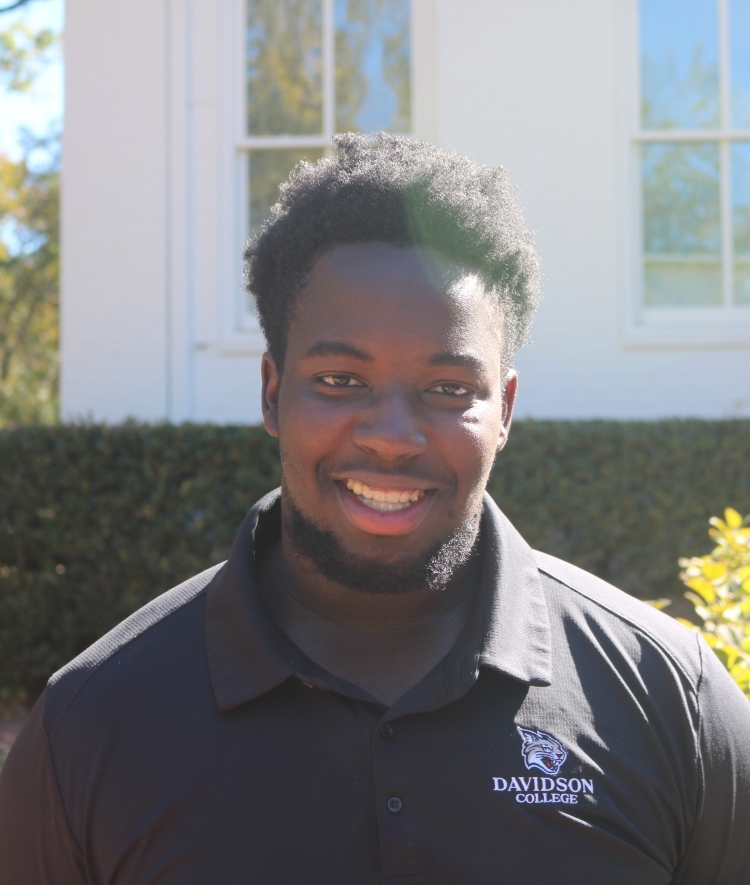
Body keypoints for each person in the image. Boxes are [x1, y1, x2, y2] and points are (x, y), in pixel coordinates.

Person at [1, 133, 749, 884]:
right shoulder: (94, 723)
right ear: (272, 390)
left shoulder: (667, 698)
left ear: (506, 411)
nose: (392, 437)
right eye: (340, 379)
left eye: (450, 389)